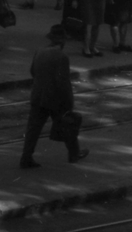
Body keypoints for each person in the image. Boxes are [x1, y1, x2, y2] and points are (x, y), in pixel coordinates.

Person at [19, 25, 88, 168]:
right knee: (68, 124)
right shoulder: (62, 57)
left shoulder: (39, 51)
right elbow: (63, 83)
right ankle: (74, 153)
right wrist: (69, 102)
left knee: (33, 129)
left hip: (38, 96)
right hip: (55, 100)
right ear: (62, 41)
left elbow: (33, 72)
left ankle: (26, 157)